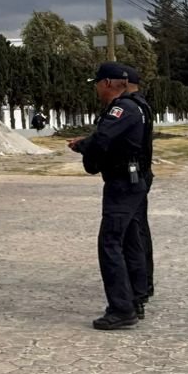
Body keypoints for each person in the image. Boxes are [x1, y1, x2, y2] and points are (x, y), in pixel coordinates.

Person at [69, 62, 149, 330]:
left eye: (97, 83)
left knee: (110, 244)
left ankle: (121, 309)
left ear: (105, 84)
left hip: (122, 184)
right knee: (129, 241)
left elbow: (102, 140)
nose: (96, 88)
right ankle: (136, 298)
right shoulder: (136, 106)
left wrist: (82, 146)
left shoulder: (121, 108)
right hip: (133, 181)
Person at [121, 64, 155, 310]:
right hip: (141, 174)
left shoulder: (130, 107)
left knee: (132, 236)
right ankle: (144, 287)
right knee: (139, 232)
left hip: (132, 177)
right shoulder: (143, 105)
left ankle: (138, 292)